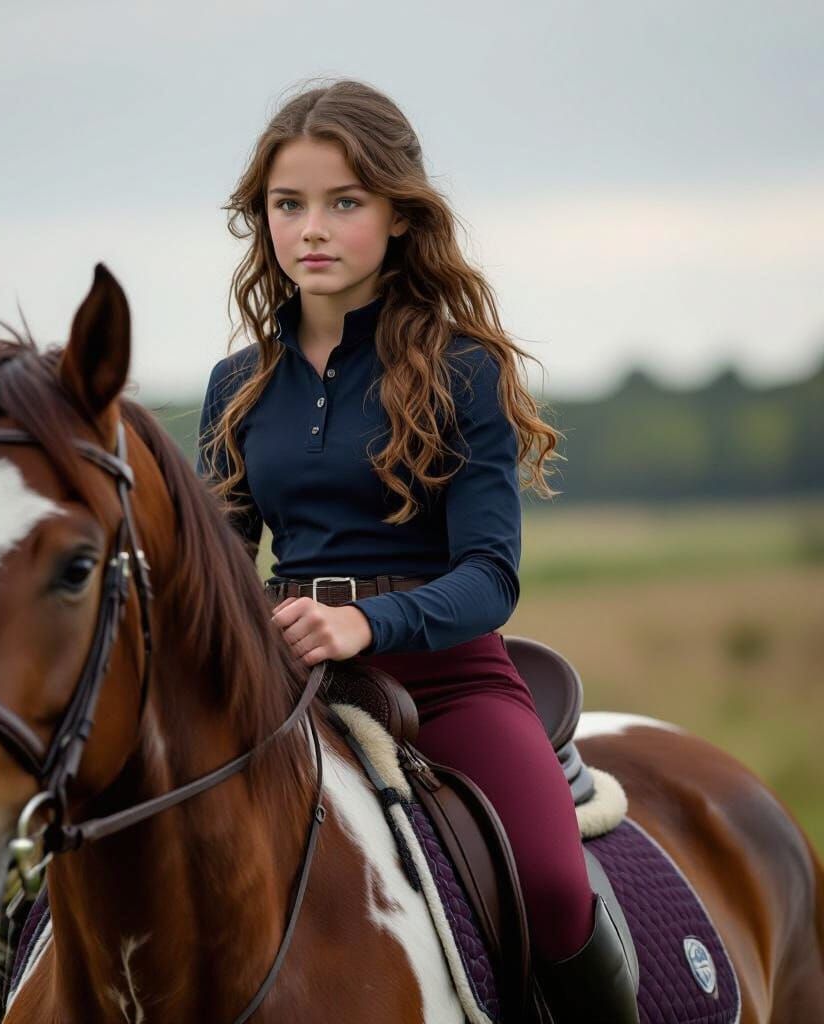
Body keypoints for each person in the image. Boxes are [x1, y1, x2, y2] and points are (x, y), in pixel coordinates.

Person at [195, 78, 639, 1023]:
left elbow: (492, 578)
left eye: (343, 202)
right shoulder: (235, 386)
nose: (311, 227)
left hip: (446, 680)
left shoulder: (464, 368)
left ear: (399, 215)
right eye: (288, 204)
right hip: (285, 678)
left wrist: (364, 621)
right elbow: (221, 570)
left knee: (558, 892)